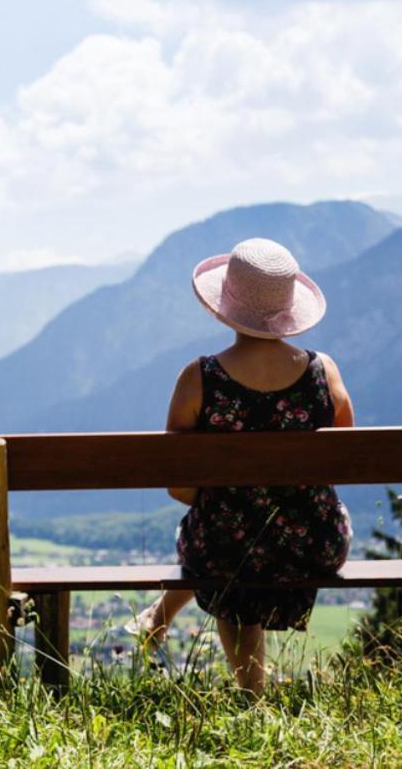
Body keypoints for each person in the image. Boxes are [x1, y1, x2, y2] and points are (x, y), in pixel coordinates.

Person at [129, 237, 354, 695]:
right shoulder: (323, 372)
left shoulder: (200, 378)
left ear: (224, 306)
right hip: (313, 542)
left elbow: (178, 484)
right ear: (290, 308)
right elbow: (345, 459)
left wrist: (231, 500)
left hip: (224, 548)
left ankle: (251, 695)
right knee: (234, 534)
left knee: (220, 536)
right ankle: (159, 618)